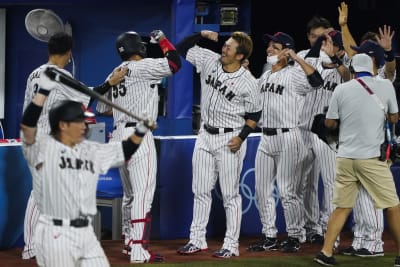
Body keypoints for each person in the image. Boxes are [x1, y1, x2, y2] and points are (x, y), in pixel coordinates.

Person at [21, 74, 151, 266]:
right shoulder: (43, 149)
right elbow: (28, 126)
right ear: (63, 125)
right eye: (79, 122)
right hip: (55, 234)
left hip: (85, 235)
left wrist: (140, 131)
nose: (85, 126)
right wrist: (43, 92)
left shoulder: (91, 151)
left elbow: (124, 150)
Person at [21, 32, 126, 260]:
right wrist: (111, 83)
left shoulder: (35, 73)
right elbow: (89, 95)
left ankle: (38, 244)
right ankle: (30, 246)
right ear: (69, 53)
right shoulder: (60, 74)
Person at [96, 30, 181, 263]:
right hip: (139, 135)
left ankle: (128, 243)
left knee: (130, 195)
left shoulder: (114, 72)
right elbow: (175, 63)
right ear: (139, 48)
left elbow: (102, 110)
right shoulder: (145, 66)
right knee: (143, 196)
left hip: (118, 135)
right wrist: (163, 40)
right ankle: (138, 249)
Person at [175, 30, 261, 258]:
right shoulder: (209, 60)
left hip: (229, 138)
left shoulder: (248, 82)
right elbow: (181, 48)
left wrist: (241, 137)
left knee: (231, 195)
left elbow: (255, 114)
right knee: (200, 190)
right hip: (204, 134)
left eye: (230, 48)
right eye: (225, 45)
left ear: (241, 56)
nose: (224, 49)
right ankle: (196, 239)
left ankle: (231, 245)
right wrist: (200, 33)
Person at [313, 53, 400, 266]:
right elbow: (394, 117)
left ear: (352, 70)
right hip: (371, 158)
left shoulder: (342, 89)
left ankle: (325, 252)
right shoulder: (385, 85)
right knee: (392, 206)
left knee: (342, 207)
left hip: (345, 157)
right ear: (372, 69)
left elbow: (331, 123)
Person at [247, 31, 323, 253]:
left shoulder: (294, 74)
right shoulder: (266, 76)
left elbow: (317, 82)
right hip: (266, 137)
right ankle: (269, 235)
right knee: (262, 190)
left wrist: (298, 59)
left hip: (289, 136)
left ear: (286, 52)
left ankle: (295, 234)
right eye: (269, 46)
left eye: (275, 47)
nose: (269, 50)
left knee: (288, 190)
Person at [336, 2, 397, 256]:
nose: (357, 54)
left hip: (377, 144)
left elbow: (392, 69)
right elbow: (352, 49)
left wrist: (389, 53)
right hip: (359, 144)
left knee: (372, 197)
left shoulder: (382, 75)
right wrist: (343, 26)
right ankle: (362, 240)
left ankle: (374, 243)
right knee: (360, 197)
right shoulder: (360, 72)